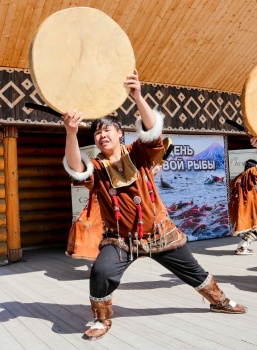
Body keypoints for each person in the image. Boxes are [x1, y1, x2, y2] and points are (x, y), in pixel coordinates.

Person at [62, 70, 246, 341]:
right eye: (97, 132)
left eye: (107, 129)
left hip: (160, 233)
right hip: (121, 240)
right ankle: (101, 320)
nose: (102, 135)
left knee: (193, 270)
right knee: (101, 271)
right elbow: (76, 168)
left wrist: (137, 96)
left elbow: (151, 131)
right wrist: (71, 132)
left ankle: (219, 301)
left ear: (119, 133)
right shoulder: (97, 168)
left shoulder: (139, 152)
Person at [229, 159, 257, 255]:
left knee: (253, 227)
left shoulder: (239, 177)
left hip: (242, 206)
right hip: (246, 206)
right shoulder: (249, 175)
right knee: (255, 227)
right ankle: (242, 247)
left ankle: (242, 246)